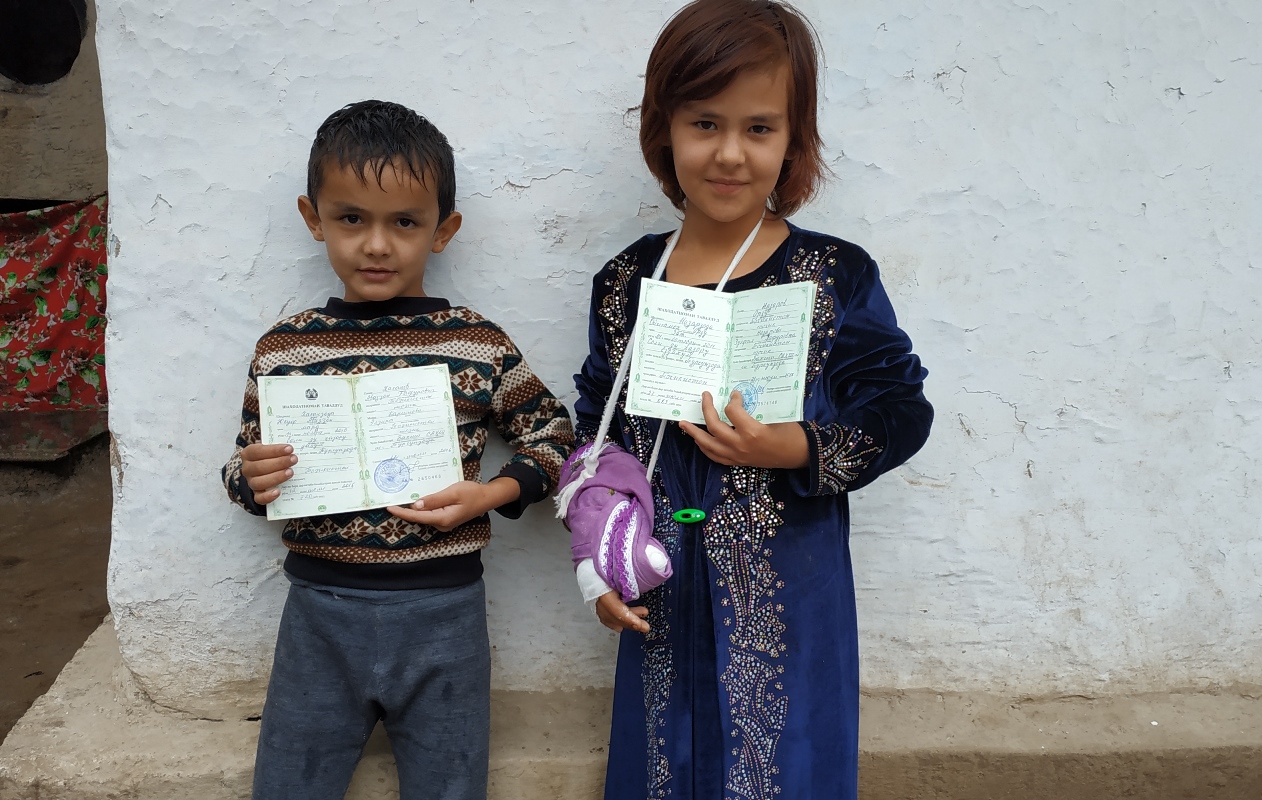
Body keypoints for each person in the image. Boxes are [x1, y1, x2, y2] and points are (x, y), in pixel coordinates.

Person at [571, 2, 933, 798]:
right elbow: (597, 437)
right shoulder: (629, 283)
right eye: (705, 123)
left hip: (789, 601)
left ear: (793, 139)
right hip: (659, 596)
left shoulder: (832, 276)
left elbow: (901, 409)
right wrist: (604, 564)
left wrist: (794, 447)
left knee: (787, 770)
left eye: (759, 128)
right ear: (664, 129)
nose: (730, 153)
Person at [220, 100, 574, 800]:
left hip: (445, 615)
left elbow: (555, 436)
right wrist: (250, 477)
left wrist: (493, 493)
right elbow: (243, 466)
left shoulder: (476, 344)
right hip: (319, 614)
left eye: (404, 222)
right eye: (351, 218)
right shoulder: (284, 350)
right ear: (313, 218)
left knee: (450, 786)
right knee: (288, 786)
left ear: (443, 231)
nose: (376, 245)